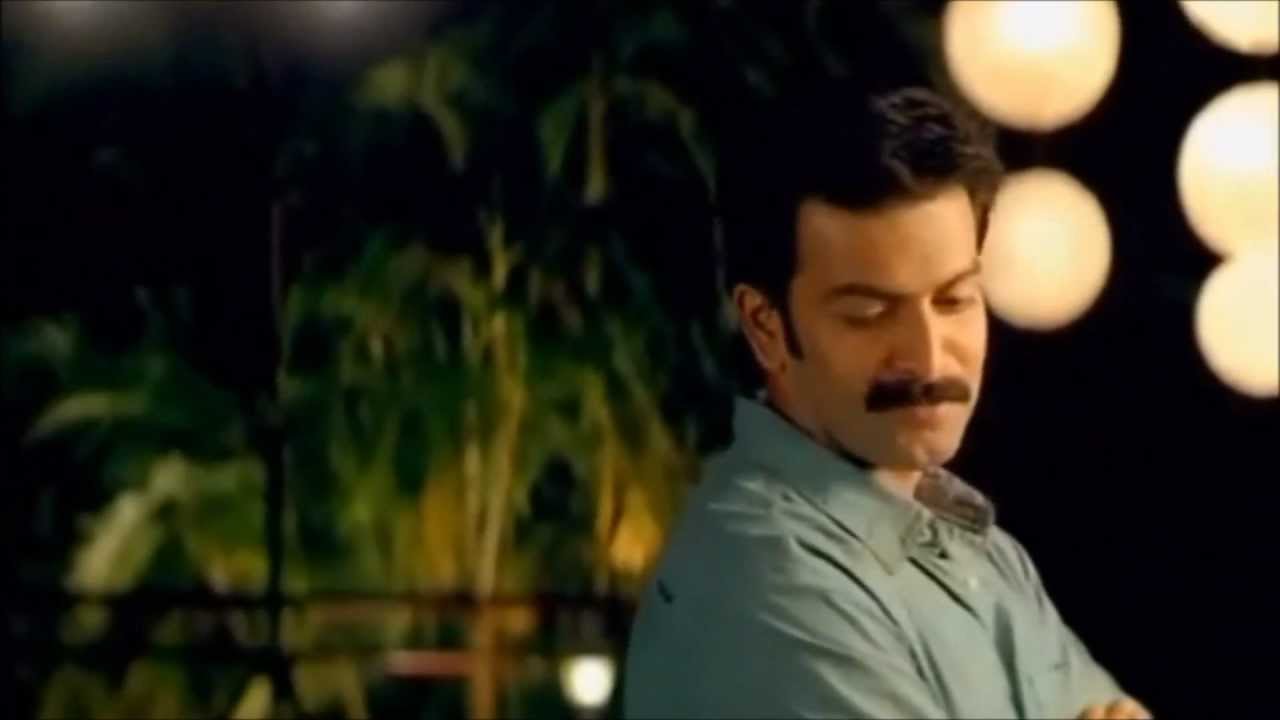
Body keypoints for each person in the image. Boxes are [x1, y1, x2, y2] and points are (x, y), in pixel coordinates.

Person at [621, 77, 1152, 719]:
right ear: (766, 326)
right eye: (869, 314)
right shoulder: (765, 578)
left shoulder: (983, 551)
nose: (928, 358)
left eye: (954, 300)